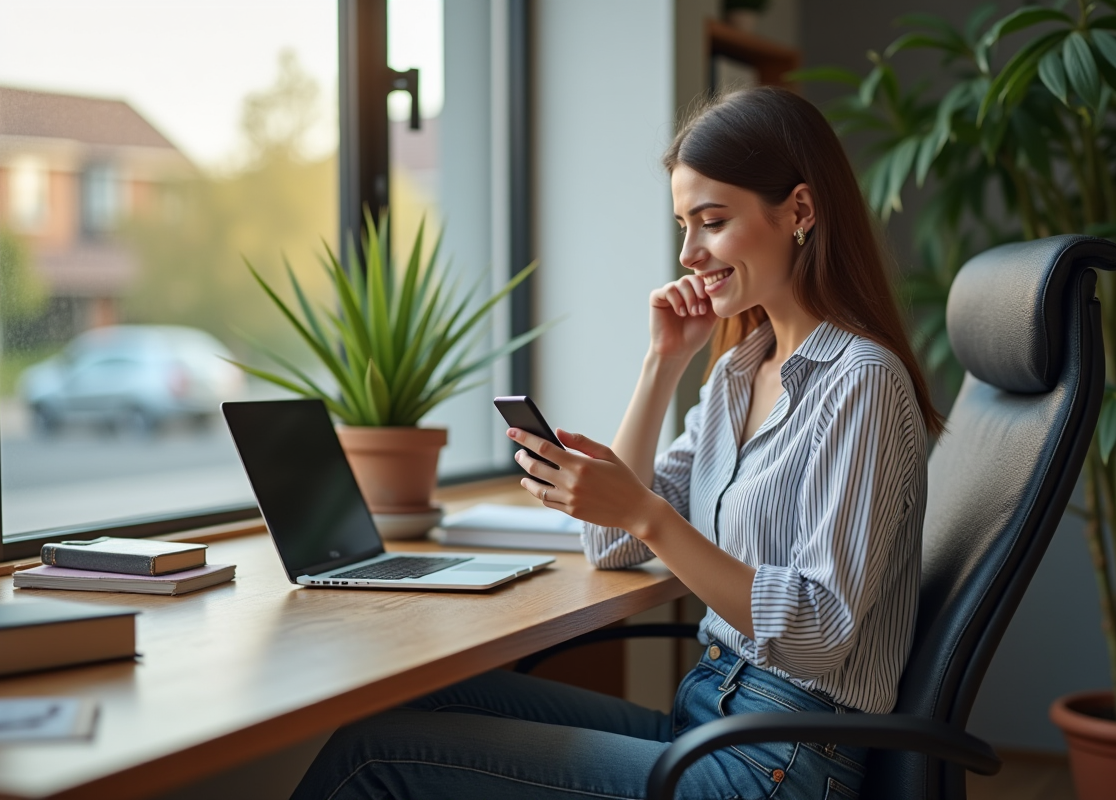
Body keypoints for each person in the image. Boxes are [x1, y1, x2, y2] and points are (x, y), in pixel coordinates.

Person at [291, 86, 942, 800]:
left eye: (712, 222)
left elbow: (820, 630)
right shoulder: (739, 369)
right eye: (683, 226)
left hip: (780, 758)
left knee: (370, 757)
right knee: (414, 706)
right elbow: (614, 545)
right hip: (710, 717)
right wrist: (663, 364)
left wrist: (646, 514)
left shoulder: (861, 383)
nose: (690, 253)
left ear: (800, 211)